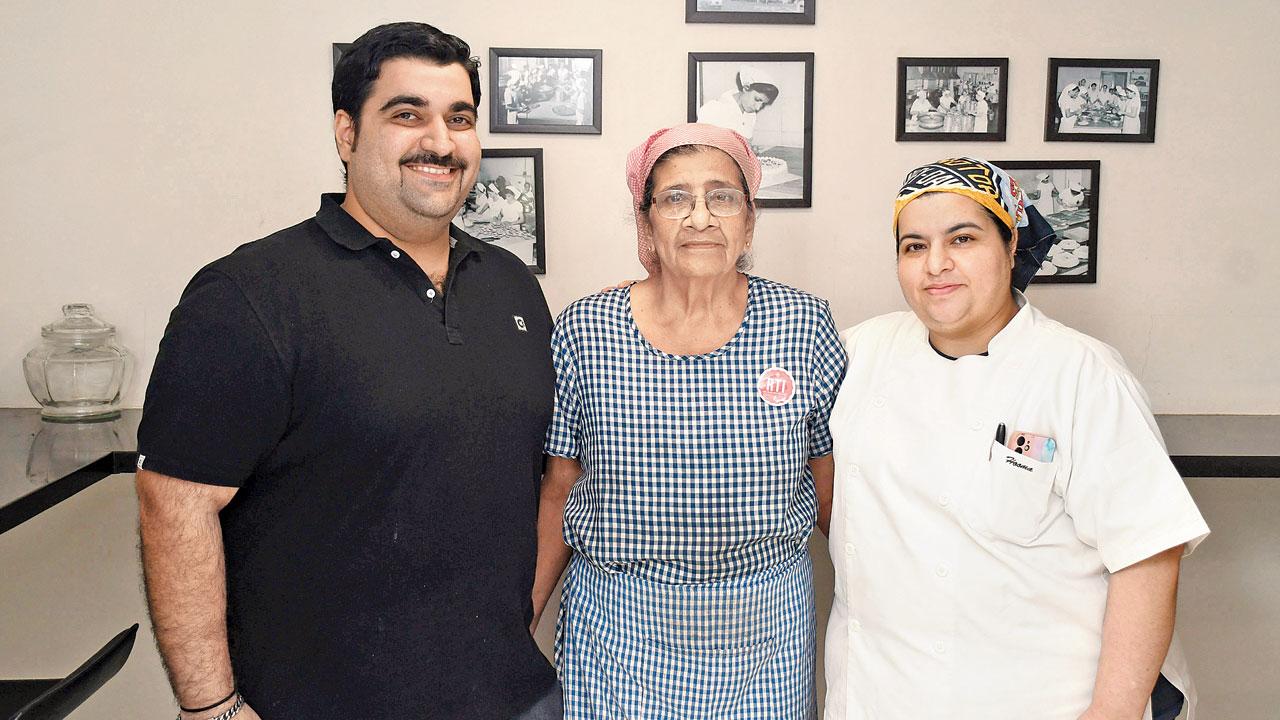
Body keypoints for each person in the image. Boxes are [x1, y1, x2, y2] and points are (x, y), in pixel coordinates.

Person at [135, 22, 562, 720]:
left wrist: (520, 619)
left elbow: (545, 477)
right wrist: (210, 706)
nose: (441, 140)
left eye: (459, 118)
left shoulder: (511, 286)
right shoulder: (252, 294)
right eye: (407, 114)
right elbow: (175, 504)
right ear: (346, 134)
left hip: (514, 697)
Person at [823, 157, 1210, 720]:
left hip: (1048, 696)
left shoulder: (1081, 372)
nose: (936, 264)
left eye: (963, 238)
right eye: (913, 246)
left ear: (1012, 247)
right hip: (881, 694)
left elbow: (1148, 556)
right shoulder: (859, 352)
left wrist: (1112, 713)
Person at [532, 123, 846, 719]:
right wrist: (523, 617)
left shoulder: (803, 323)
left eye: (722, 197)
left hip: (763, 632)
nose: (700, 217)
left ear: (749, 221)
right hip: (619, 635)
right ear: (646, 220)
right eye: (676, 198)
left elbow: (829, 484)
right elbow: (559, 489)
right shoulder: (587, 329)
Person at [696, 67, 780, 146]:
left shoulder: (750, 115)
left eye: (763, 104)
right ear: (746, 88)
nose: (758, 108)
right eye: (757, 99)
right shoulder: (713, 109)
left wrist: (751, 150)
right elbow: (701, 149)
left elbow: (746, 144)